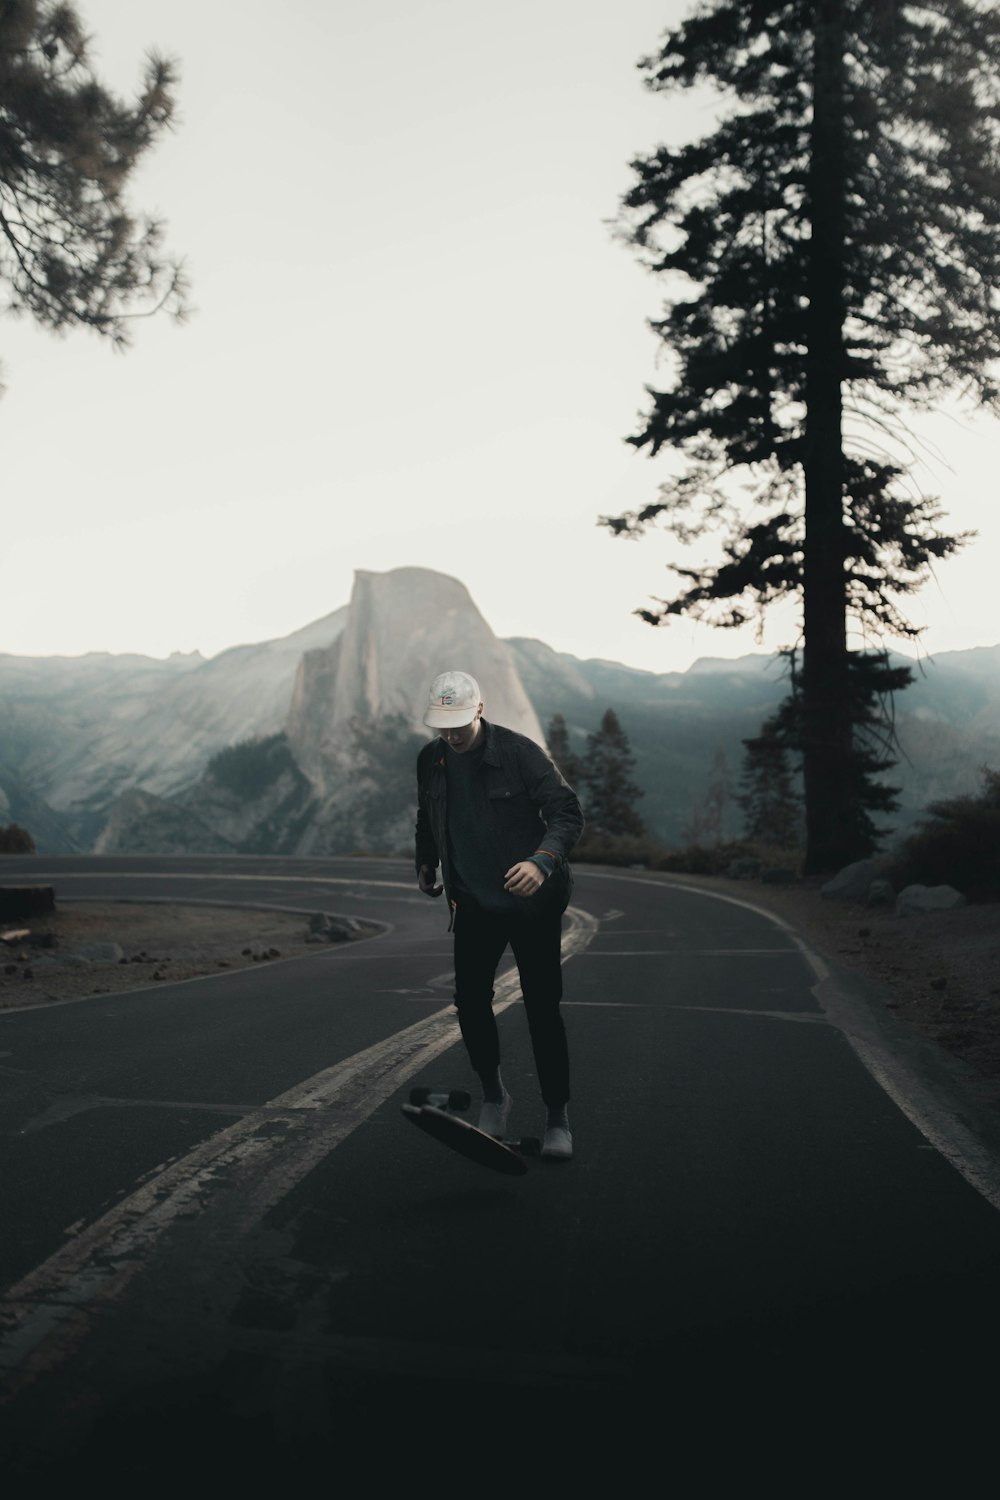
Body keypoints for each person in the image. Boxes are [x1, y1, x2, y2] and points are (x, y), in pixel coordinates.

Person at [415, 669, 584, 1159]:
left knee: (541, 1009)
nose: (450, 734)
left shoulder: (519, 754)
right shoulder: (431, 759)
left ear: (480, 711)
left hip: (531, 906)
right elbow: (428, 816)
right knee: (469, 1002)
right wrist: (426, 862)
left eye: (459, 724)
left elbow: (567, 813)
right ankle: (494, 1096)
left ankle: (557, 1119)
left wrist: (542, 861)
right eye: (442, 724)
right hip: (472, 903)